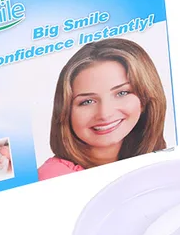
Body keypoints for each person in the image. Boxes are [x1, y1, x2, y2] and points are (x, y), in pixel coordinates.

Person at [38, 38, 167, 180]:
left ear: (145, 98)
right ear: (65, 112)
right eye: (87, 101)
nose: (105, 114)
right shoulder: (54, 176)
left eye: (121, 93)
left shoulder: (158, 161)